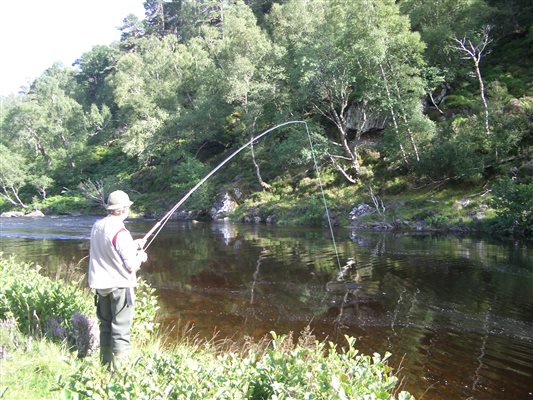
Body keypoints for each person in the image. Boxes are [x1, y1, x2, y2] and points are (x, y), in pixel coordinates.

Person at [88, 190, 148, 367]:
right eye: (128, 207)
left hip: (101, 286)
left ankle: (105, 366)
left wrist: (133, 245)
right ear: (122, 209)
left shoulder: (97, 226)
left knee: (105, 326)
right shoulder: (121, 232)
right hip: (119, 286)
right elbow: (131, 266)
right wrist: (141, 258)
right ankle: (121, 374)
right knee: (121, 330)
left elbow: (109, 248)